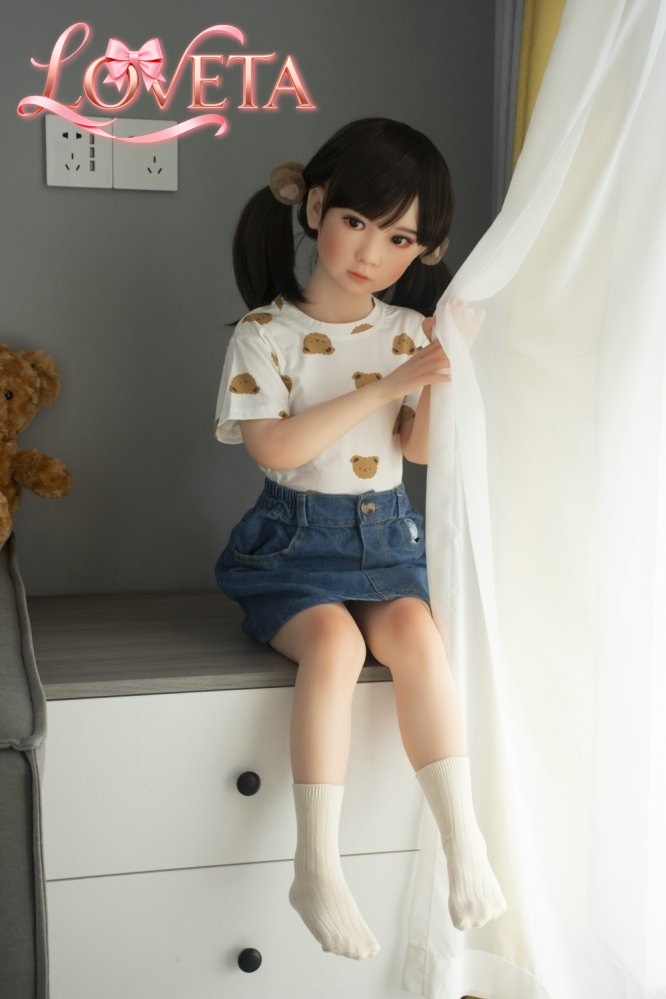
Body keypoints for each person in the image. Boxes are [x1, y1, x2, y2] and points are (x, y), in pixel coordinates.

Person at [213, 118, 506, 960]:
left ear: (422, 250)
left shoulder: (408, 331)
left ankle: (463, 838)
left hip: (386, 540)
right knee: (336, 646)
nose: (371, 252)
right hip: (291, 548)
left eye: (400, 238)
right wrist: (390, 382)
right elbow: (275, 447)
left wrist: (444, 366)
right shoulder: (264, 333)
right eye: (356, 221)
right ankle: (316, 865)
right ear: (315, 209)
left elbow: (419, 448)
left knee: (418, 633)